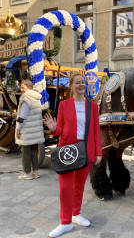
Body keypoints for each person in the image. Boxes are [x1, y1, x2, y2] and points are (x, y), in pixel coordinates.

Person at [43, 73, 102, 238]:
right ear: (71, 85)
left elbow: (96, 130)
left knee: (79, 186)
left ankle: (76, 214)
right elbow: (60, 130)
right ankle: (65, 222)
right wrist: (54, 127)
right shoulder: (64, 105)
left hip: (86, 150)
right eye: (77, 82)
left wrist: (98, 152)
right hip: (67, 152)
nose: (81, 85)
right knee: (65, 188)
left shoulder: (93, 106)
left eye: (83, 82)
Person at [16, 79, 45, 180]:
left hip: (27, 130)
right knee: (33, 151)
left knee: (26, 152)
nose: (21, 89)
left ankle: (27, 173)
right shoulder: (36, 98)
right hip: (35, 130)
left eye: (23, 87)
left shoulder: (26, 99)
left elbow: (22, 116)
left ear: (29, 87)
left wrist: (18, 129)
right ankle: (35, 172)